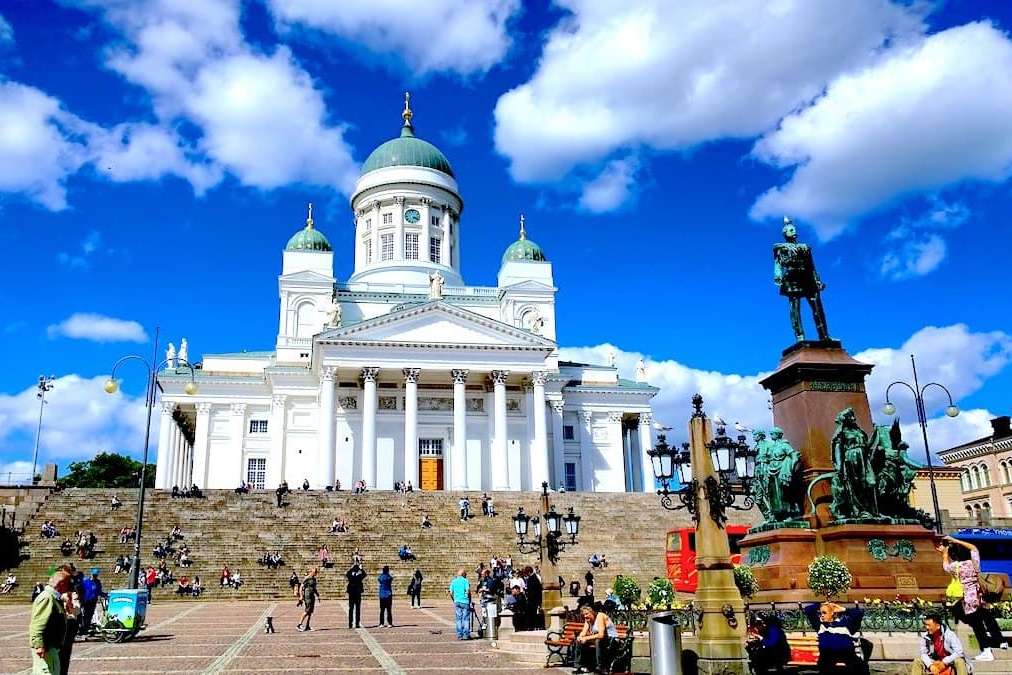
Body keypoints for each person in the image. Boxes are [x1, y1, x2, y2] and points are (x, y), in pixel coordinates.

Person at [938, 535, 1006, 660]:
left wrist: (944, 553)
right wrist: (956, 541)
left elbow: (945, 566)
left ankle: (986, 650)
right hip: (979, 596)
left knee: (977, 625)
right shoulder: (973, 562)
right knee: (987, 617)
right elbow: (974, 548)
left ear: (955, 556)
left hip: (968, 600)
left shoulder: (956, 567)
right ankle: (1000, 641)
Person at [803, 602, 867, 675]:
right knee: (825, 666)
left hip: (846, 654)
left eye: (824, 613)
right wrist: (821, 604)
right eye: (820, 613)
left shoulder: (846, 624)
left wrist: (844, 609)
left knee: (861, 667)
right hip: (827, 655)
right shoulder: (820, 625)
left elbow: (859, 613)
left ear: (833, 613)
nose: (822, 616)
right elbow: (808, 610)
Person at [29, 569, 71, 675]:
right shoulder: (47, 598)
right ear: (61, 584)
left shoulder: (53, 597)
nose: (68, 587)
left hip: (51, 648)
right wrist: (39, 645)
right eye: (67, 583)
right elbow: (38, 624)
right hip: (46, 648)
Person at [573, 602, 619, 674]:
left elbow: (601, 635)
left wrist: (586, 638)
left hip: (612, 640)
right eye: (584, 614)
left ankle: (600, 667)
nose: (585, 616)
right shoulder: (588, 620)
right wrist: (580, 637)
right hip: (601, 640)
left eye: (587, 614)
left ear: (593, 612)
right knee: (579, 641)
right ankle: (579, 666)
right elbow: (584, 632)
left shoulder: (600, 616)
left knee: (598, 641)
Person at [80, 569, 104, 636]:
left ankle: (86, 629)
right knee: (84, 615)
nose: (94, 577)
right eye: (94, 575)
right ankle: (82, 630)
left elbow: (99, 591)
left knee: (89, 615)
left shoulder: (98, 582)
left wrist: (105, 595)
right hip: (85, 601)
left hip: (93, 601)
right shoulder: (85, 581)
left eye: (96, 575)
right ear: (91, 574)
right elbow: (80, 590)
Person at [449, 568, 471, 640]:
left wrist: (454, 599)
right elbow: (468, 591)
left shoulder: (454, 581)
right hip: (465, 601)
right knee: (466, 619)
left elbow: (451, 592)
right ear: (464, 574)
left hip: (457, 601)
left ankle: (459, 635)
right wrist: (468, 599)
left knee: (458, 619)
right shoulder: (465, 581)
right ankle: (467, 634)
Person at [297, 567, 320, 632]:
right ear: (311, 572)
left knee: (310, 611)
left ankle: (307, 625)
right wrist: (301, 596)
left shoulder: (314, 579)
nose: (315, 573)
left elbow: (314, 588)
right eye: (314, 572)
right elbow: (301, 587)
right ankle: (299, 624)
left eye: (316, 572)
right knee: (307, 610)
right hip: (307, 596)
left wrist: (317, 595)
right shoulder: (307, 578)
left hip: (312, 596)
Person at [346, 562, 366, 629]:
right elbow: (364, 574)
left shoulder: (350, 576)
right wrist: (361, 569)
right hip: (357, 593)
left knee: (351, 609)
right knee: (357, 609)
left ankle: (350, 624)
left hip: (351, 593)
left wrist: (351, 569)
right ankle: (357, 624)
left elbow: (347, 573)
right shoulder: (359, 576)